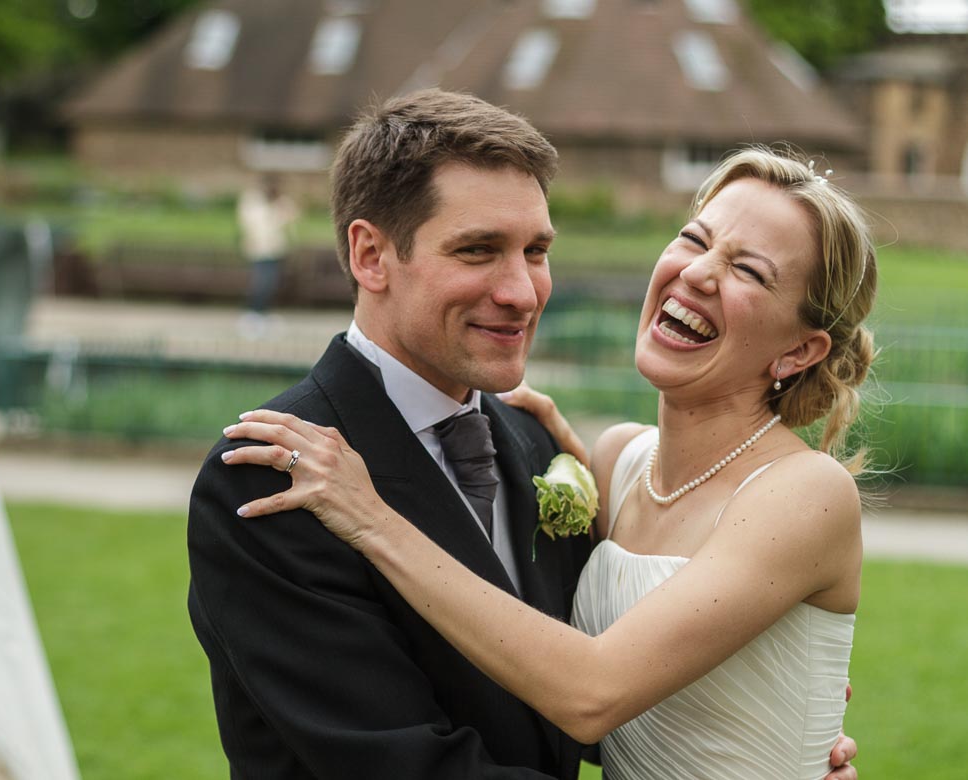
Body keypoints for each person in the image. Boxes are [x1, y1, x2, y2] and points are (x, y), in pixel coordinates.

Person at [191, 88, 857, 778]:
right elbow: (403, 764)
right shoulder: (278, 473)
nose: (523, 291)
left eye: (536, 251)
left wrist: (762, 726)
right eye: (478, 251)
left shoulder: (536, 448)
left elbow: (572, 695)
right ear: (371, 256)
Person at [236, 173, 299, 338]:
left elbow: (291, 217)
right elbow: (253, 224)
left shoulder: (280, 202)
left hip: (276, 250)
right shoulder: (252, 201)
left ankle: (264, 315)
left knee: (272, 284)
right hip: (259, 250)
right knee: (261, 283)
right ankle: (253, 315)